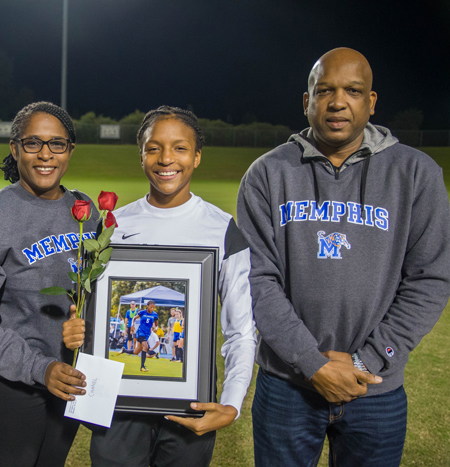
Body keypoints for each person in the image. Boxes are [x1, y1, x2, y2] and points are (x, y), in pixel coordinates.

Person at [237, 47, 450, 466]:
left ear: (370, 102)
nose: (337, 102)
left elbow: (429, 279)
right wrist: (312, 364)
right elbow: (256, 279)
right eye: (325, 90)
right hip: (287, 386)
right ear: (307, 101)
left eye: (352, 90)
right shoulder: (267, 174)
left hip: (375, 386)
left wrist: (365, 362)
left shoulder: (416, 174)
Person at [63, 106, 257, 466]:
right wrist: (79, 326)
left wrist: (231, 402)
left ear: (197, 157)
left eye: (180, 148)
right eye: (154, 148)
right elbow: (90, 310)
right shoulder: (112, 227)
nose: (166, 158)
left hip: (190, 405)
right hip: (118, 408)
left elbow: (241, 331)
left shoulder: (223, 230)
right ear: (141, 156)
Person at [0, 101, 96, 467]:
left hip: (68, 379)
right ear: (15, 148)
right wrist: (39, 368)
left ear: (70, 150)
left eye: (56, 143)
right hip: (9, 385)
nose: (45, 154)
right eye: (33, 143)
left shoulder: (86, 211)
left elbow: (97, 293)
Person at [132, 300, 159, 372]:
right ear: (147, 306)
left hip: (147, 334)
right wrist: (132, 325)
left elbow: (156, 325)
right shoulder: (142, 312)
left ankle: (124, 350)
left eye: (153, 307)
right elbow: (134, 318)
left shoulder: (155, 314)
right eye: (151, 307)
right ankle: (142, 367)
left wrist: (156, 328)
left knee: (136, 352)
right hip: (140, 332)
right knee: (145, 347)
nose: (152, 309)